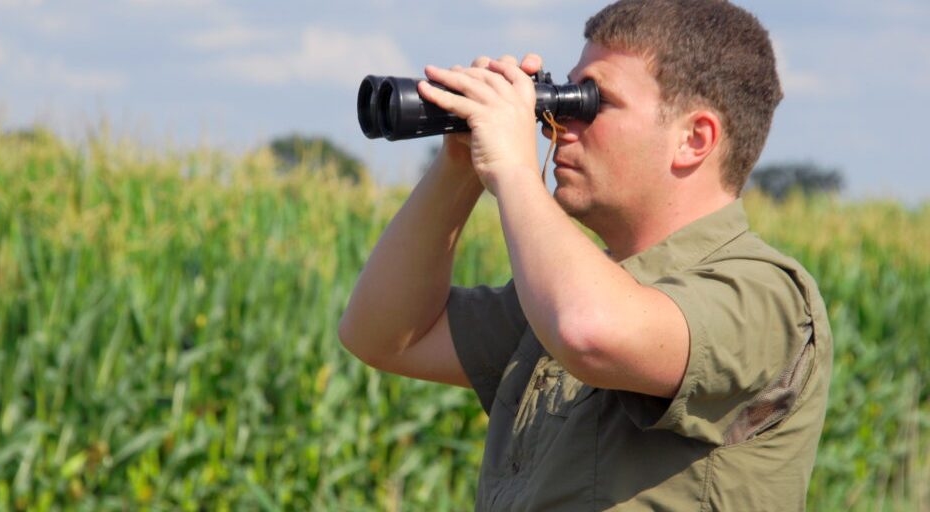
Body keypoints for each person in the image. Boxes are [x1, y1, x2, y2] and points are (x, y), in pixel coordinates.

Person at [338, 0, 833, 509]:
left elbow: (591, 332)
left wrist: (513, 169)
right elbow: (382, 335)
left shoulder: (765, 297)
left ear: (694, 139)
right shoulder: (561, 297)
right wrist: (459, 163)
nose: (556, 124)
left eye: (591, 102)